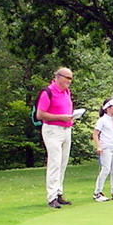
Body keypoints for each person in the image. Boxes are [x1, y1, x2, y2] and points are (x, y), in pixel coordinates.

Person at [36, 67, 75, 209]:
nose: (69, 81)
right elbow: (40, 114)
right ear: (58, 77)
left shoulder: (66, 92)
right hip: (53, 129)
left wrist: (70, 117)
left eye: (71, 78)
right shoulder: (48, 92)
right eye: (67, 78)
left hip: (66, 129)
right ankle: (51, 196)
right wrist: (60, 117)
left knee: (63, 162)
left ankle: (58, 192)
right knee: (55, 162)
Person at [92, 98, 113, 202]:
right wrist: (98, 146)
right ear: (107, 108)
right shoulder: (102, 120)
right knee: (106, 169)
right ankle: (97, 192)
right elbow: (95, 134)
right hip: (106, 147)